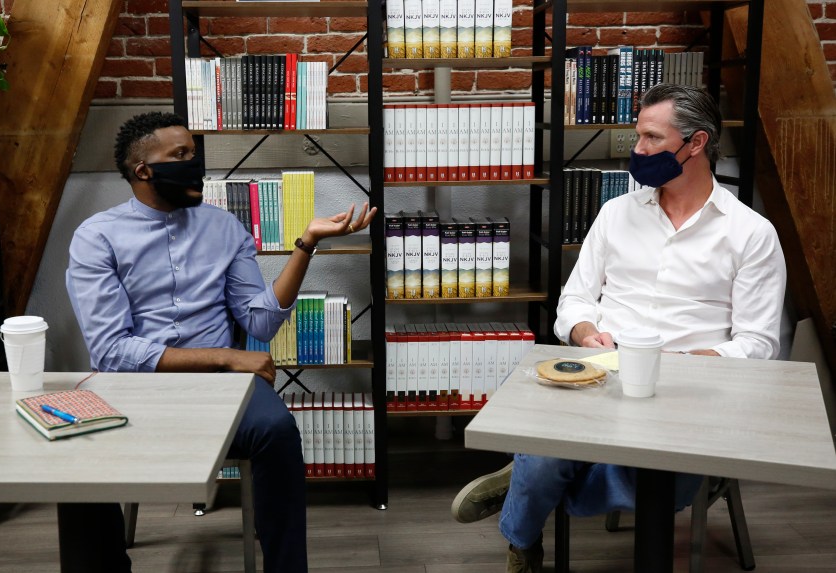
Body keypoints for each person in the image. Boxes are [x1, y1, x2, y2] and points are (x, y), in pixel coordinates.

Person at [450, 83, 787, 572]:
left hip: (687, 395)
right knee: (554, 443)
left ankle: (528, 480)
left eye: (652, 138)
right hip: (598, 377)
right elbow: (576, 299)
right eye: (637, 137)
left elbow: (758, 344)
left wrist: (685, 363)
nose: (638, 150)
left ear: (696, 143)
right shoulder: (615, 214)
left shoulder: (751, 233)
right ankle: (524, 541)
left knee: (642, 482)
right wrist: (586, 332)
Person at [63, 111, 376, 573]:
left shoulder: (225, 227)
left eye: (195, 152)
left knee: (276, 431)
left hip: (219, 388)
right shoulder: (96, 238)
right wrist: (227, 356)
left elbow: (261, 321)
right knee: (73, 447)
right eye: (181, 155)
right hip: (134, 386)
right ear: (143, 170)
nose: (196, 163)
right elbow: (112, 350)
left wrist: (307, 243)